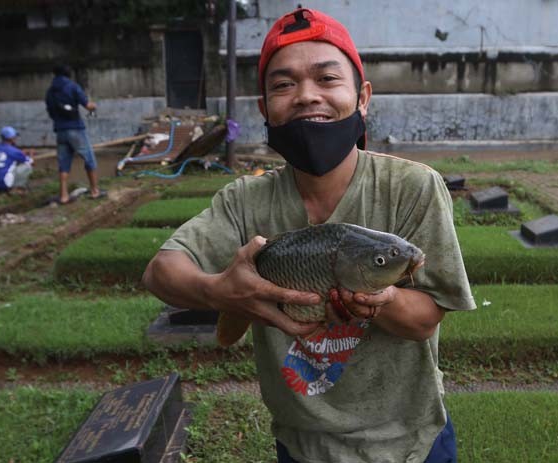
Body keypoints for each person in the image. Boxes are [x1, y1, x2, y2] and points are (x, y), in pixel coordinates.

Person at [143, 8, 475, 463]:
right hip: (301, 444)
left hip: (409, 441)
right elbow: (161, 271)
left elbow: (425, 320)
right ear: (264, 110)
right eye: (283, 84)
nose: (305, 96)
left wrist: (384, 300)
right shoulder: (245, 200)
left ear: (362, 98)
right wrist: (220, 292)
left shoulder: (412, 187)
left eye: (326, 78)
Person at [45, 64, 103, 204]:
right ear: (68, 73)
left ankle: (64, 196)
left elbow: (50, 112)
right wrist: (93, 105)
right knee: (89, 159)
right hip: (75, 129)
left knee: (64, 163)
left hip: (60, 131)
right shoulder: (72, 86)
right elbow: (87, 105)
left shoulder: (50, 91)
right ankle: (95, 191)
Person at [0, 126, 33, 193]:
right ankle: (16, 187)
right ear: (11, 138)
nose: (16, 138)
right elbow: (30, 161)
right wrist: (30, 154)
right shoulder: (14, 151)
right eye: (15, 137)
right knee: (27, 167)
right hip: (2, 184)